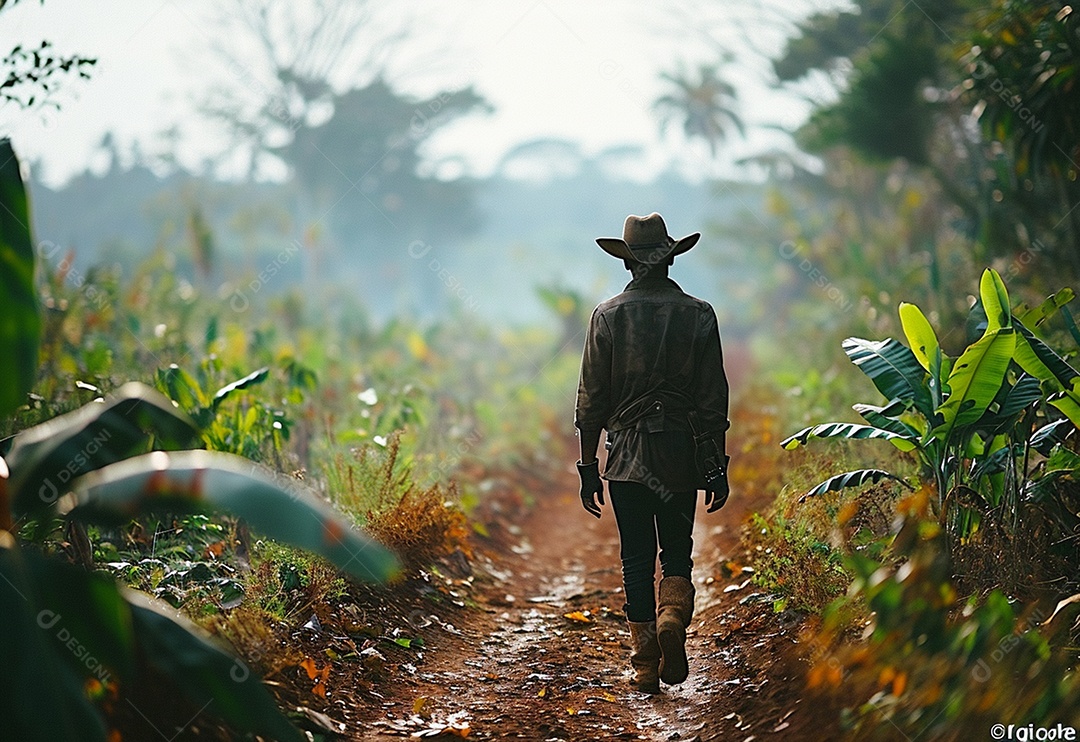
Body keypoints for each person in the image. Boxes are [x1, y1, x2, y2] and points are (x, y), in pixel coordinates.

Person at [574, 213, 730, 694]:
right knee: (677, 554)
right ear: (670, 258)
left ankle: (644, 664)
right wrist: (715, 467)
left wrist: (588, 468)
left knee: (636, 559)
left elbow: (590, 401)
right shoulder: (699, 314)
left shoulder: (607, 316)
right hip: (680, 456)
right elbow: (713, 401)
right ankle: (671, 618)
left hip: (626, 459)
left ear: (628, 264)